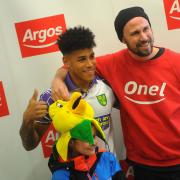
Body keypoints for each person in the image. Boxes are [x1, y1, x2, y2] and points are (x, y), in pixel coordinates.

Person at [51, 6, 180, 180]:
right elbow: (73, 64)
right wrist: (57, 80)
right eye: (134, 33)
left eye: (146, 29)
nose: (143, 37)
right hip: (142, 165)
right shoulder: (112, 64)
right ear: (123, 39)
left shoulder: (176, 62)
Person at [19, 26, 118, 155]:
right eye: (82, 59)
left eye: (92, 56)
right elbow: (30, 145)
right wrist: (27, 121)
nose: (90, 64)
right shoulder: (52, 96)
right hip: (76, 173)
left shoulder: (106, 85)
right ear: (66, 62)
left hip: (110, 170)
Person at [47, 92, 124, 179]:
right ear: (70, 142)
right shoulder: (61, 175)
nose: (94, 142)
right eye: (87, 138)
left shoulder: (107, 158)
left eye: (94, 136)